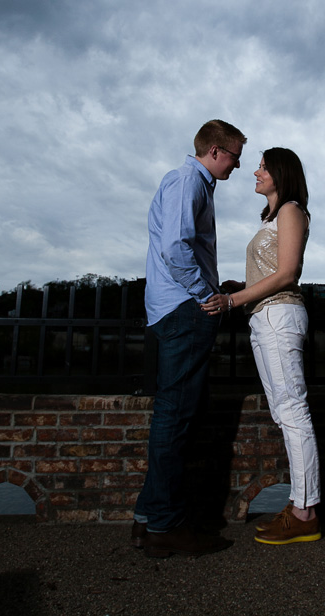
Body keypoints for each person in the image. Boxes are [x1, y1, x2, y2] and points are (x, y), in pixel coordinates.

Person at [132, 119, 245, 559]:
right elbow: (176, 247)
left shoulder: (186, 182)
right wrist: (209, 297)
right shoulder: (187, 181)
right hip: (184, 310)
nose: (239, 164)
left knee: (173, 416)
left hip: (173, 310)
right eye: (235, 154)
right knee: (175, 420)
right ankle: (164, 527)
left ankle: (147, 520)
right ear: (215, 150)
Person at [203, 147, 321, 545]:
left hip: (279, 317)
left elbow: (288, 273)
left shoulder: (290, 208)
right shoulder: (273, 215)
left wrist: (232, 301)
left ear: (280, 174)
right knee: (284, 411)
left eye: (264, 167)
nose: (255, 171)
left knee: (293, 412)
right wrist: (244, 288)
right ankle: (300, 505)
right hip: (264, 317)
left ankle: (305, 512)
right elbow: (273, 269)